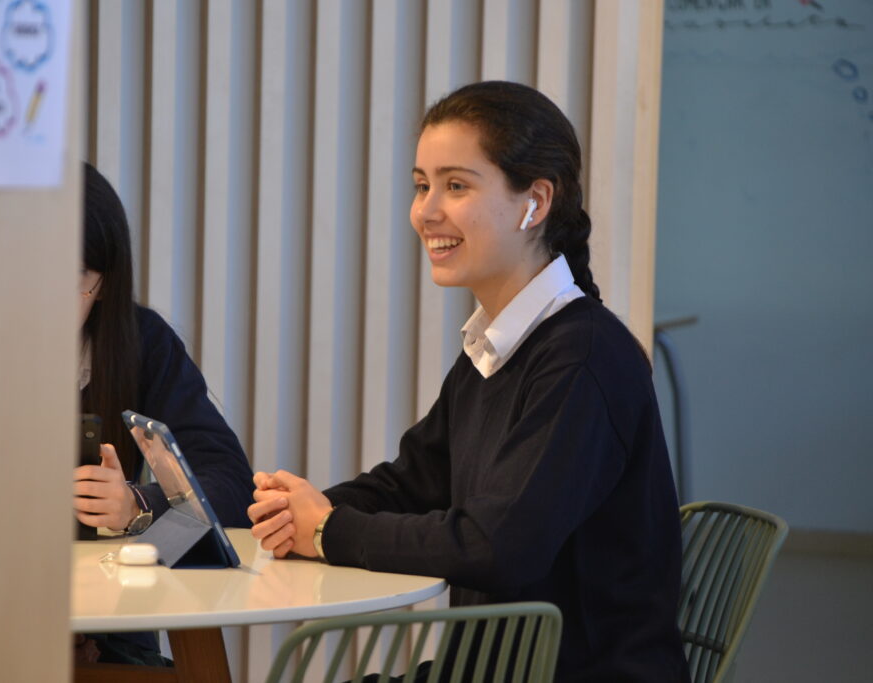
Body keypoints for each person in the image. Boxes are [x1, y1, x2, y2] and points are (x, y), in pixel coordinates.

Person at [249, 81, 690, 682]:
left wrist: (327, 529)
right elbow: (410, 483)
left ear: (534, 203)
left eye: (455, 185)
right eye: (421, 185)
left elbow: (498, 547)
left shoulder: (583, 356)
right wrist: (299, 512)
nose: (426, 211)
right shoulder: (497, 345)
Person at [72, 161, 254, 664]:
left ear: (103, 284)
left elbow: (231, 484)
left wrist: (135, 504)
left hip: (108, 618)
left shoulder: (139, 343)